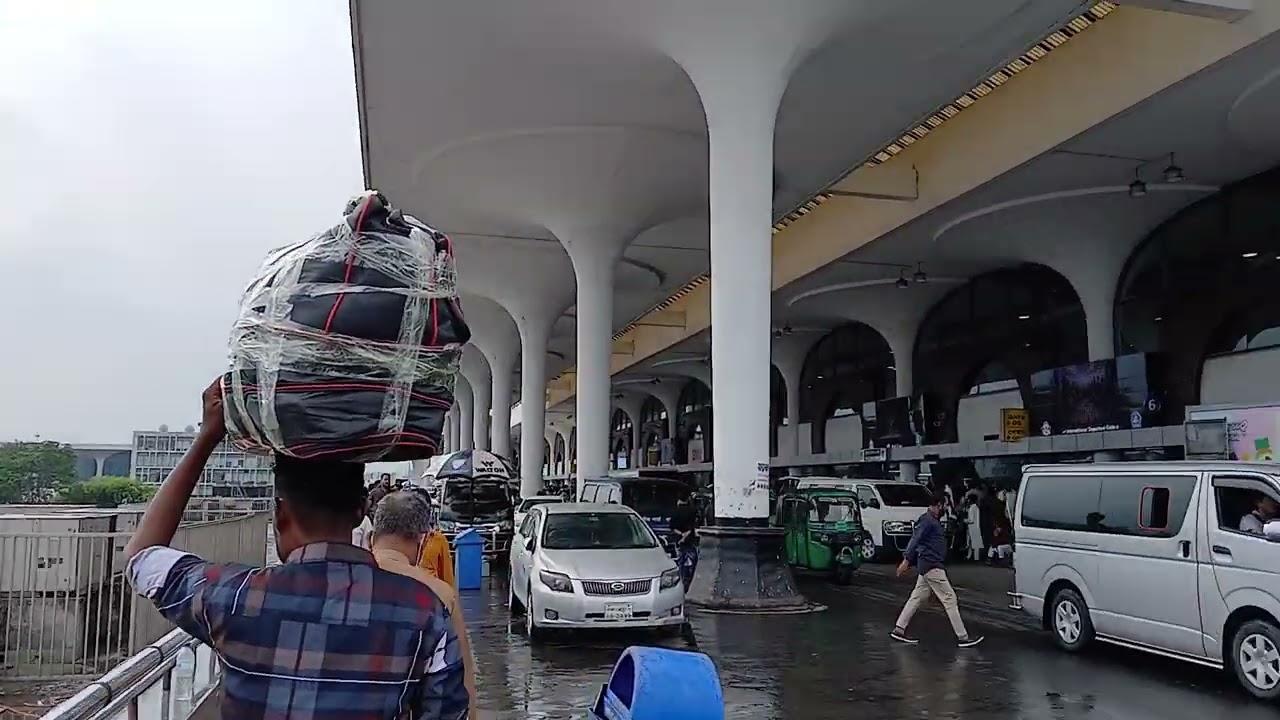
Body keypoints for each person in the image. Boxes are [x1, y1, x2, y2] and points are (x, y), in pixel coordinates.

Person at [124, 380, 469, 719]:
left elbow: (142, 556)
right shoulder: (424, 611)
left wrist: (207, 437)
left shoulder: (232, 595)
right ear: (362, 510)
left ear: (280, 512)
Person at [370, 491, 477, 711]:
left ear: (371, 536)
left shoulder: (341, 585)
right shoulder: (440, 596)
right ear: (421, 541)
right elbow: (461, 689)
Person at [890, 492, 984, 648]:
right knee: (949, 598)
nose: (946, 508)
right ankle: (963, 637)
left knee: (917, 597)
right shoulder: (927, 521)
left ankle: (899, 629)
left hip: (928, 565)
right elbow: (915, 540)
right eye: (945, 505)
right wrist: (906, 560)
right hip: (932, 565)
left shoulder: (931, 520)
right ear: (938, 505)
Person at [417, 500, 457, 590]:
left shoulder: (438, 539)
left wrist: (451, 600)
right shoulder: (405, 539)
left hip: (432, 595)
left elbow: (447, 577)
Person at [670, 492, 699, 591]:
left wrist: (681, 535)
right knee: (694, 560)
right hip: (690, 540)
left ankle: (681, 582)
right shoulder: (692, 511)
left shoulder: (675, 512)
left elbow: (672, 527)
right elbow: (694, 525)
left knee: (680, 562)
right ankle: (691, 580)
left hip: (679, 541)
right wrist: (686, 534)